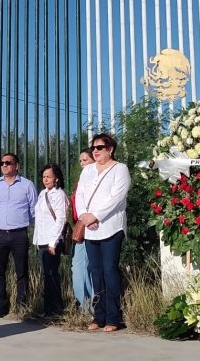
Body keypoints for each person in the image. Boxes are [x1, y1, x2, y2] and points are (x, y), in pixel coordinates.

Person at [75, 133, 131, 332]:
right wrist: (83, 215)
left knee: (109, 270)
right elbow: (80, 193)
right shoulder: (88, 170)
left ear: (110, 149)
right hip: (90, 229)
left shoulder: (120, 169)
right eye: (93, 148)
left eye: (100, 147)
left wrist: (95, 216)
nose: (96, 151)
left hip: (110, 227)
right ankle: (98, 316)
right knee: (95, 272)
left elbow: (117, 197)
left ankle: (113, 318)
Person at [0, 153, 37, 318]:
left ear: (17, 165)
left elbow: (33, 209)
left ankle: (22, 305)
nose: (4, 165)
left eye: (8, 163)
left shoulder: (27, 185)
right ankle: (1, 305)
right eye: (2, 163)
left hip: (19, 234)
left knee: (21, 271)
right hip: (0, 234)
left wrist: (22, 222)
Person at [33, 163, 68, 319]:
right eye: (44, 177)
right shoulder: (42, 194)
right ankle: (50, 309)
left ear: (57, 179)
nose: (45, 179)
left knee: (52, 274)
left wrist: (53, 242)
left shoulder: (59, 194)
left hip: (52, 241)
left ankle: (55, 310)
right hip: (42, 239)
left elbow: (61, 218)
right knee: (47, 274)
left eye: (49, 176)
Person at [70, 148, 95, 313]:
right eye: (80, 161)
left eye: (85, 160)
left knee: (90, 268)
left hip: (91, 226)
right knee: (78, 268)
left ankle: (94, 305)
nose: (82, 163)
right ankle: (84, 305)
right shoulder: (81, 179)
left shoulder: (95, 179)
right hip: (80, 227)